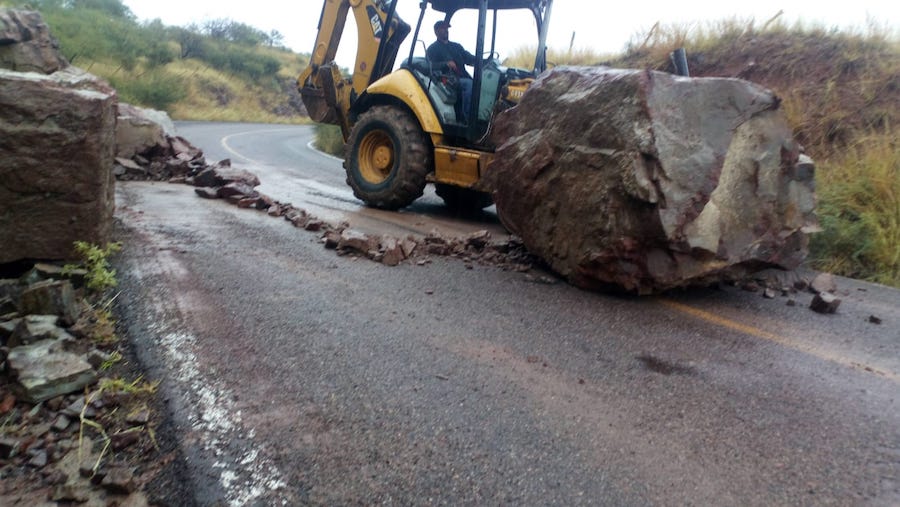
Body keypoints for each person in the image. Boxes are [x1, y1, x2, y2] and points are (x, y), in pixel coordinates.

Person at [426, 20, 477, 124]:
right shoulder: (432, 49)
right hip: (446, 80)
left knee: (479, 84)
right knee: (469, 85)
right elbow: (429, 66)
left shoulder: (456, 47)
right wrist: (446, 64)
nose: (446, 30)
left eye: (447, 28)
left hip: (462, 78)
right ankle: (468, 119)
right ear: (436, 31)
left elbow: (470, 58)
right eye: (443, 28)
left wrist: (484, 61)